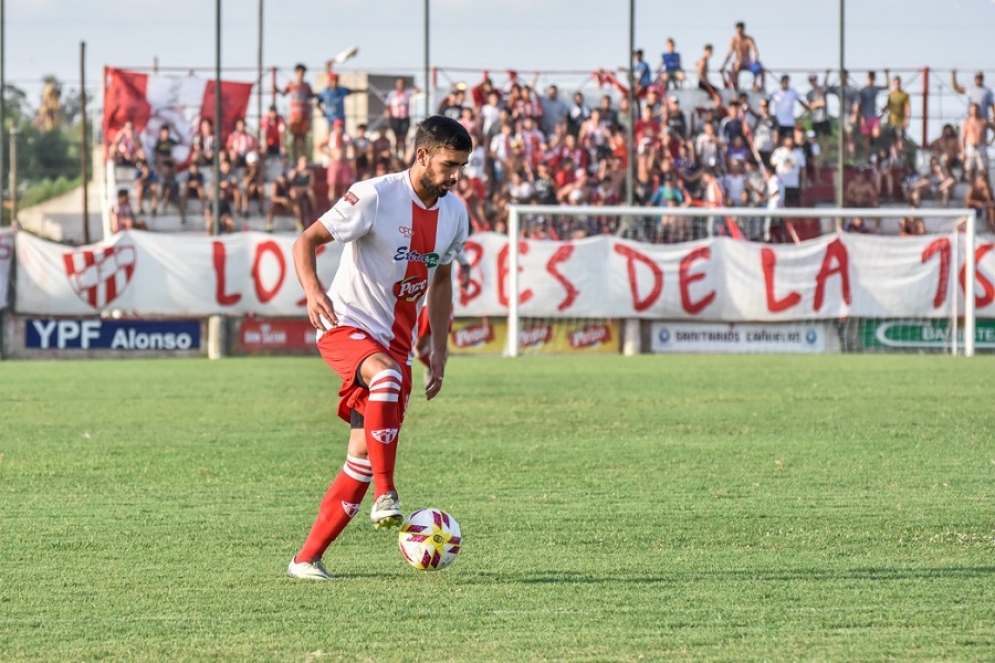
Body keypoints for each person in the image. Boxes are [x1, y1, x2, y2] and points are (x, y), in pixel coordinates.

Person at [286, 115, 471, 581]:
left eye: (462, 167)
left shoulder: (454, 213)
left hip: (398, 346)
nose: (456, 176)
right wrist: (312, 291)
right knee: (384, 376)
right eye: (450, 165)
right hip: (344, 325)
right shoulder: (375, 195)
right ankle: (386, 496)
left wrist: (441, 348)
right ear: (422, 154)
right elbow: (306, 240)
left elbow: (442, 281)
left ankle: (305, 560)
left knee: (360, 459)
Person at [281, 63, 315, 161]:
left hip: (304, 115)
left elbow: (311, 96)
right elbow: (284, 93)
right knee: (295, 138)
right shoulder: (291, 84)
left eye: (303, 73)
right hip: (294, 116)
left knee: (304, 139)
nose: (301, 74)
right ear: (296, 73)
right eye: (299, 72)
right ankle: (295, 159)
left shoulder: (307, 86)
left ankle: (304, 159)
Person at [721, 21, 762, 92]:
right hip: (738, 60)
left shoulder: (748, 39)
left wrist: (755, 59)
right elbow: (730, 53)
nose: (739, 32)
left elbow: (755, 51)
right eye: (738, 30)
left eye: (741, 30)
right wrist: (723, 65)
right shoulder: (733, 40)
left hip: (747, 61)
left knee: (760, 67)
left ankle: (755, 84)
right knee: (737, 64)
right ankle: (736, 85)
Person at [385, 77, 420, 157]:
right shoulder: (392, 94)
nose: (400, 85)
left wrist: (411, 83)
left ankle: (404, 156)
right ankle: (396, 155)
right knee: (396, 138)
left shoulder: (408, 93)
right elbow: (387, 105)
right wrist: (387, 113)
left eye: (402, 84)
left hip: (405, 118)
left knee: (403, 138)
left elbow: (418, 90)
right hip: (395, 118)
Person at [960, 102, 993, 184]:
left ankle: (986, 188)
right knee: (970, 170)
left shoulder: (983, 121)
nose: (974, 111)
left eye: (976, 109)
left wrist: (990, 141)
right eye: (973, 109)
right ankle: (973, 188)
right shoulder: (967, 122)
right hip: (970, 148)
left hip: (981, 147)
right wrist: (963, 152)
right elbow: (963, 138)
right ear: (970, 110)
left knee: (984, 170)